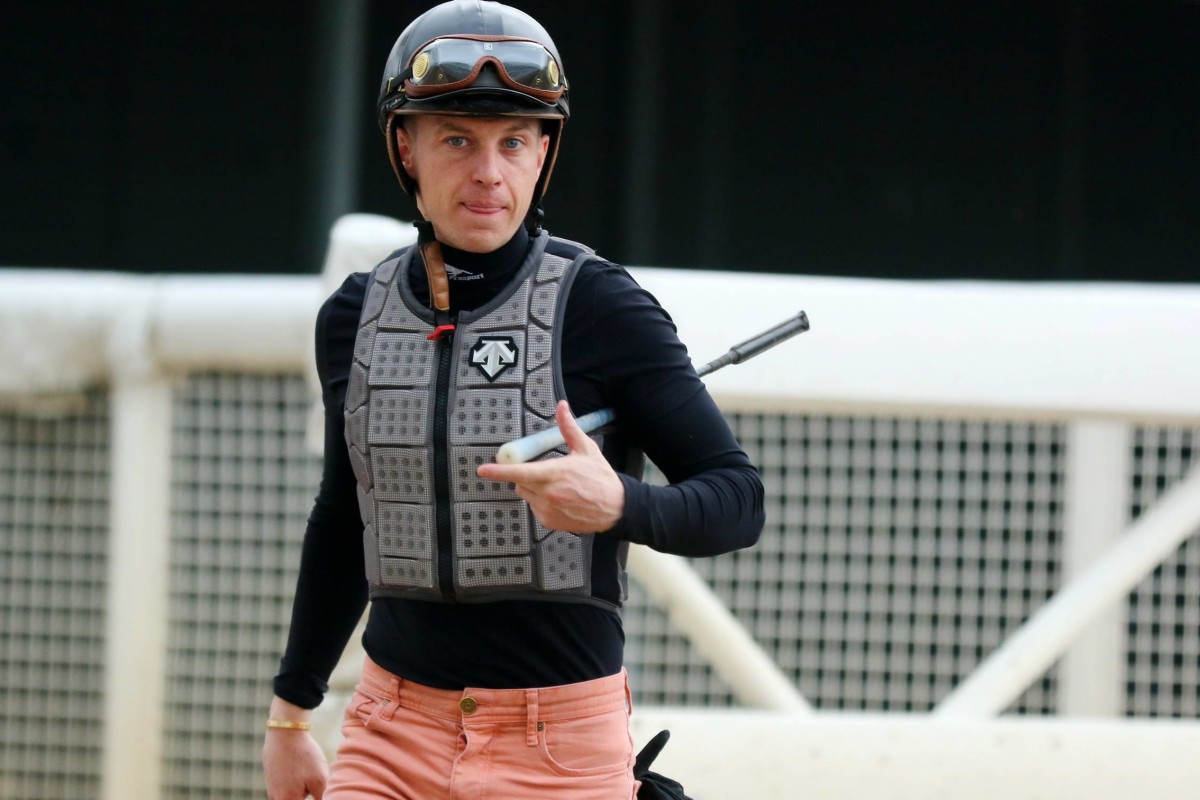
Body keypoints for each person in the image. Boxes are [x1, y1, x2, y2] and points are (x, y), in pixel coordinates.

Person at [262, 2, 764, 798]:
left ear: (543, 155)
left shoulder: (604, 307)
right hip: (388, 733)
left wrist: (620, 504)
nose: (488, 173)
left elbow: (737, 500)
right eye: (457, 139)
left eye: (514, 143)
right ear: (406, 146)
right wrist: (291, 716)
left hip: (560, 745)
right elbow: (342, 517)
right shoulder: (352, 317)